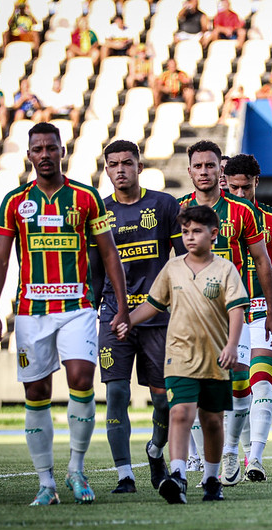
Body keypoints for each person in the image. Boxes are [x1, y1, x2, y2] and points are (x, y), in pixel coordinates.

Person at [0, 122, 129, 505]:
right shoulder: (15, 201)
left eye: (52, 147)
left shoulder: (86, 198)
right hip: (32, 312)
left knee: (82, 378)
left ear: (63, 151)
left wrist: (123, 303)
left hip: (78, 307)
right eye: (38, 149)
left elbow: (109, 252)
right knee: (37, 391)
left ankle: (76, 470)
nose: (45, 154)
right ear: (29, 155)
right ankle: (46, 482)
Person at [117, 205, 248, 503]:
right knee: (179, 413)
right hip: (178, 356)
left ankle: (211, 479)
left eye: (197, 231)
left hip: (215, 358)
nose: (190, 237)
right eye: (186, 232)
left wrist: (231, 345)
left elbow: (237, 310)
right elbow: (154, 303)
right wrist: (128, 320)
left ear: (213, 234)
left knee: (213, 421)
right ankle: (177, 475)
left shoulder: (225, 269)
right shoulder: (173, 267)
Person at [176, 141, 272, 486]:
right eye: (198, 166)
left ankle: (232, 451)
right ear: (189, 171)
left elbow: (263, 262)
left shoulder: (242, 212)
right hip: (194, 315)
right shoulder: (177, 211)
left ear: (219, 170)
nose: (204, 172)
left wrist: (271, 311)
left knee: (240, 385)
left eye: (210, 166)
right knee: (197, 390)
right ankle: (197, 460)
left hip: (239, 312)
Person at [89, 140, 185, 494]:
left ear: (139, 167)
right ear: (107, 169)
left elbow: (182, 260)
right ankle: (125, 476)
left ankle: (155, 450)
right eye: (113, 164)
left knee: (163, 398)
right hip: (114, 316)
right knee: (116, 394)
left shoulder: (163, 205)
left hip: (158, 317)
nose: (120, 170)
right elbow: (95, 270)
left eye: (127, 163)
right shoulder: (99, 211)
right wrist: (92, 309)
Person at [223, 154, 272, 481]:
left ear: (258, 182)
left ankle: (254, 458)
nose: (240, 194)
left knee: (261, 384)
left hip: (265, 313)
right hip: (224, 313)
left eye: (246, 187)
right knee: (236, 388)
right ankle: (232, 452)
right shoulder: (214, 217)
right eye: (234, 188)